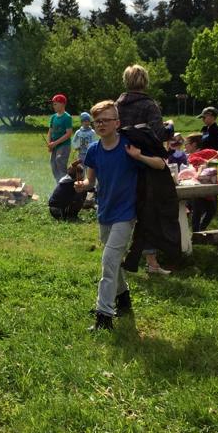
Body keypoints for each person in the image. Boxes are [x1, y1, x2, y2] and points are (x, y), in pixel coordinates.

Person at [76, 100, 168, 331]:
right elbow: (90, 181)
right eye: (97, 121)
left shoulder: (129, 146)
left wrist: (139, 157)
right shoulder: (94, 150)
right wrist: (82, 185)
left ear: (117, 123)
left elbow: (160, 164)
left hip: (126, 214)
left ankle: (104, 315)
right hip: (104, 212)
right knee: (113, 263)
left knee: (108, 261)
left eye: (106, 120)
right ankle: (124, 298)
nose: (100, 124)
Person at [116, 63, 177, 273]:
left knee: (129, 212)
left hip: (124, 161)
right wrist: (170, 126)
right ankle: (151, 262)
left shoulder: (118, 104)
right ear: (145, 81)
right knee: (150, 211)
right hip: (146, 163)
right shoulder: (149, 105)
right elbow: (160, 134)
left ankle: (124, 255)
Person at [47, 94, 73, 182]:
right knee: (53, 164)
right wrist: (49, 144)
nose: (53, 106)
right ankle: (59, 184)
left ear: (62, 104)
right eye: (53, 104)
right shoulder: (53, 117)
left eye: (55, 104)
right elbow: (50, 131)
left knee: (60, 162)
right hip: (54, 145)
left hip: (64, 145)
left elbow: (69, 134)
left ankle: (65, 185)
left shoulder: (67, 117)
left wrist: (55, 143)